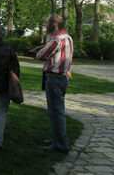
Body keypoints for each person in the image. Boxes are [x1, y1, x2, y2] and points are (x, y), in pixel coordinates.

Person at [36, 14, 73, 154]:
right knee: (59, 111)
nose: (45, 25)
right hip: (63, 78)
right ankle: (58, 140)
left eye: (47, 23)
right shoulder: (68, 37)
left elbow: (41, 55)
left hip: (54, 79)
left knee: (55, 112)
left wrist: (42, 50)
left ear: (53, 23)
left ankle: (61, 145)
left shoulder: (56, 40)